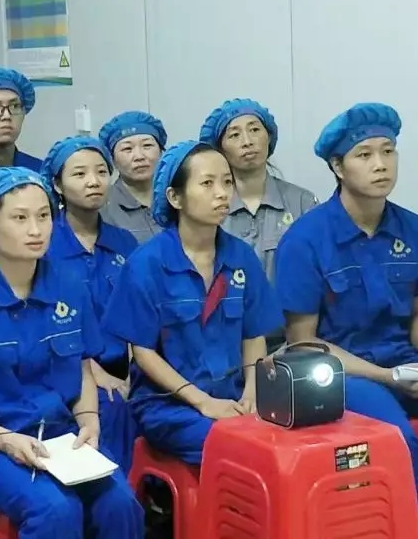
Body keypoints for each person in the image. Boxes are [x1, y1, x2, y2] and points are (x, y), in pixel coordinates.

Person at [274, 103, 418, 539]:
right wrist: (388, 378)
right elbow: (303, 344)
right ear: (338, 167)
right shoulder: (305, 239)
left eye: (388, 151)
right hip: (343, 375)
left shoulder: (413, 229)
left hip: (405, 363)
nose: (381, 164)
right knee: (401, 443)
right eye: (364, 155)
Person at [0, 167, 144, 539]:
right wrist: (3, 439)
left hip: (60, 438)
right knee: (56, 509)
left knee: (121, 504)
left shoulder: (69, 286)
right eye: (20, 218)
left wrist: (89, 421)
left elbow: (82, 367)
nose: (36, 230)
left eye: (43, 216)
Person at [101, 141, 284, 465]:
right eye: (207, 183)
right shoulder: (147, 263)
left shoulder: (241, 256)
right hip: (169, 406)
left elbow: (253, 335)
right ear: (175, 197)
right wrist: (202, 402)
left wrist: (252, 394)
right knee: (248, 452)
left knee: (297, 440)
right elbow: (143, 354)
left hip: (234, 397)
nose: (222, 193)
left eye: (227, 182)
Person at [39, 135, 140, 473]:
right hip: (68, 367)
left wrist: (133, 373)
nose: (93, 181)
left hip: (125, 366)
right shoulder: (44, 244)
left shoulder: (124, 242)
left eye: (101, 172)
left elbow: (138, 314)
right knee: (111, 406)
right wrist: (98, 374)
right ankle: (112, 490)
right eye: (80, 174)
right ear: (57, 184)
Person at [199, 98, 318, 350]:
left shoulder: (302, 202)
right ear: (220, 149)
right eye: (234, 134)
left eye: (254, 129)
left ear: (269, 137)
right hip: (226, 343)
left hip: (293, 341)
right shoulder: (207, 207)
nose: (247, 141)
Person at [99, 111, 167, 243]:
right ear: (112, 159)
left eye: (147, 146)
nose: (139, 156)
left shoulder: (178, 198)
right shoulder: (103, 208)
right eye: (127, 149)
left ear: (161, 151)